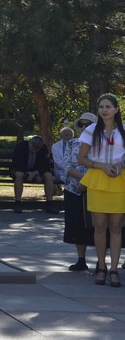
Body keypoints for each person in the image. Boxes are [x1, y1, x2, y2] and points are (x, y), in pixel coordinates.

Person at [77, 93, 125, 287]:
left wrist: (121, 164)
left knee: (116, 226)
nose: (104, 110)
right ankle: (101, 267)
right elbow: (81, 158)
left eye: (108, 106)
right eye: (101, 107)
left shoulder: (123, 130)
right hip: (98, 180)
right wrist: (99, 165)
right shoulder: (90, 130)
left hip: (119, 181)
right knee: (99, 226)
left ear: (116, 109)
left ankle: (114, 269)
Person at [61, 113, 97, 271]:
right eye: (81, 125)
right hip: (74, 189)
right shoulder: (72, 143)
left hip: (96, 189)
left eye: (87, 124)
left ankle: (100, 260)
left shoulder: (101, 144)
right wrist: (82, 180)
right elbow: (67, 166)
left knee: (99, 226)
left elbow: (100, 164)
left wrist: (88, 182)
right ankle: (81, 260)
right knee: (77, 225)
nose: (83, 127)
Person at [11, 136, 58, 213]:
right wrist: (28, 173)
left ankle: (50, 203)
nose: (35, 150)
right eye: (33, 147)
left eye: (37, 149)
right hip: (21, 169)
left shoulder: (43, 148)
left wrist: (36, 173)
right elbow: (17, 163)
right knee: (19, 175)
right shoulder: (20, 146)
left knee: (48, 175)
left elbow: (46, 164)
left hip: (37, 171)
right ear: (30, 143)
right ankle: (17, 203)